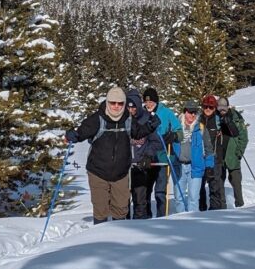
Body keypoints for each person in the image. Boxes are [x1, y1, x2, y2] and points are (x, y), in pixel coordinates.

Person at [66, 85, 157, 224]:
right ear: (107, 102)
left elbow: (138, 132)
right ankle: (100, 239)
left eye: (120, 103)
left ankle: (117, 237)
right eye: (113, 103)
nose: (116, 106)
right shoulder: (98, 118)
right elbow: (81, 132)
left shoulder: (127, 119)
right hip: (98, 172)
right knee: (101, 210)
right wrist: (73, 135)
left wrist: (151, 126)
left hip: (120, 173)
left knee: (121, 210)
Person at [142, 86, 182, 216]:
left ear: (156, 102)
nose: (148, 105)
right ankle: (146, 216)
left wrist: (174, 136)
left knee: (160, 191)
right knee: (145, 190)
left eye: (151, 102)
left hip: (163, 156)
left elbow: (179, 131)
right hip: (146, 157)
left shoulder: (167, 113)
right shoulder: (141, 114)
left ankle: (161, 216)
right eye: (146, 102)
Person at [126, 89, 161, 219]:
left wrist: (148, 155)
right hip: (124, 167)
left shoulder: (146, 119)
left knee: (140, 201)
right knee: (122, 202)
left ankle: (140, 226)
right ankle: (121, 229)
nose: (131, 110)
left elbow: (156, 142)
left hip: (140, 166)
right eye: (128, 107)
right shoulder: (122, 120)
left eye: (134, 107)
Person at [177, 100, 212, 212]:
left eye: (194, 112)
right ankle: (179, 223)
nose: (192, 115)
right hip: (179, 167)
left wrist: (209, 165)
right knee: (179, 197)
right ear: (184, 112)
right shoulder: (176, 126)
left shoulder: (200, 128)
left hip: (196, 167)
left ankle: (192, 223)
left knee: (193, 198)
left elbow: (208, 148)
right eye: (189, 112)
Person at [199, 93, 232, 210]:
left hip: (215, 159)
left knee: (215, 187)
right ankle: (201, 211)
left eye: (211, 107)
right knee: (200, 187)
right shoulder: (198, 119)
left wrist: (228, 122)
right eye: (205, 106)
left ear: (215, 108)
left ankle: (215, 211)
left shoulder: (219, 120)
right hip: (200, 158)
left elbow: (233, 133)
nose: (208, 109)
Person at [217, 96, 249, 207]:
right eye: (219, 107)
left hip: (232, 155)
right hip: (219, 154)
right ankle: (222, 206)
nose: (222, 109)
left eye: (224, 107)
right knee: (219, 182)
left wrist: (239, 153)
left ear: (228, 106)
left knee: (236, 182)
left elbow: (244, 137)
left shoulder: (236, 117)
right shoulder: (216, 117)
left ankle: (240, 204)